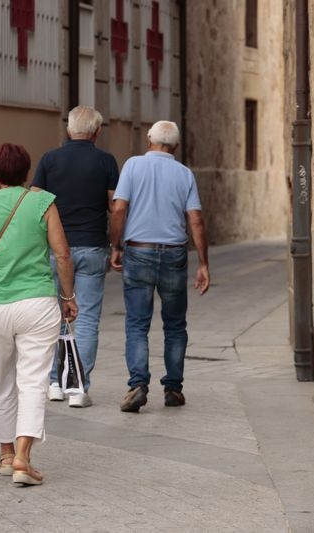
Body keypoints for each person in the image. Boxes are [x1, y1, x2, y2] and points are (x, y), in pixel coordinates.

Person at [0, 143, 78, 486]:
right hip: (37, 304)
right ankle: (24, 458)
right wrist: (68, 296)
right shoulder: (43, 202)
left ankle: (5, 454)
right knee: (33, 381)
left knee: (0, 380)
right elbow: (62, 255)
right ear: (27, 172)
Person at [109, 120, 210, 412]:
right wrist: (203, 263)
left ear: (149, 140)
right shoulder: (184, 173)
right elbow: (196, 220)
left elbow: (118, 209)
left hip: (138, 251)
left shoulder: (132, 166)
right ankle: (174, 389)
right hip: (174, 254)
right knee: (175, 324)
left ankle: (138, 385)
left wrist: (115, 246)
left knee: (137, 323)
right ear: (176, 147)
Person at [31, 105, 119, 408]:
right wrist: (117, 242)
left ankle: (55, 383)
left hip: (56, 249)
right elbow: (114, 207)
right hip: (93, 247)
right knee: (87, 319)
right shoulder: (106, 161)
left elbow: (35, 205)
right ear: (97, 131)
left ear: (69, 129)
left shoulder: (49, 160)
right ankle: (79, 388)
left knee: (53, 318)